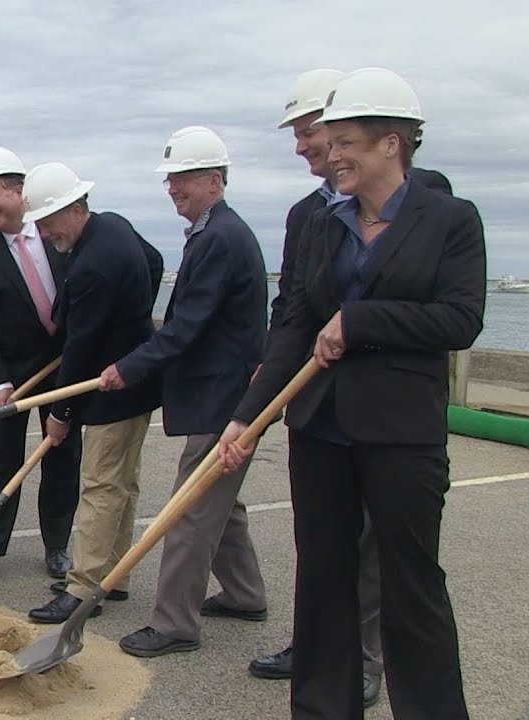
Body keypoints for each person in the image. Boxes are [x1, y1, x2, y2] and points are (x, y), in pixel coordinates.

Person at [220, 68, 481, 720]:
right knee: (325, 586)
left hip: (402, 432)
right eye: (329, 142)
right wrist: (247, 417)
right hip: (321, 429)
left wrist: (363, 321)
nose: (331, 155)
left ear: (392, 143)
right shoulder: (317, 222)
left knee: (411, 587)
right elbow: (295, 325)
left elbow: (459, 320)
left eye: (346, 143)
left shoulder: (449, 218)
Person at [97, 126, 269, 658]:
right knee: (220, 499)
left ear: (214, 180)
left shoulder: (220, 237)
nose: (173, 188)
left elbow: (187, 324)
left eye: (183, 179)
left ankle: (174, 622)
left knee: (190, 508)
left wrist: (131, 366)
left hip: (225, 400)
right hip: (218, 393)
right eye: (170, 180)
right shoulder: (212, 231)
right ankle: (244, 594)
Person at [17, 162, 164, 623]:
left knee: (101, 484)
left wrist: (61, 413)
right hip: (134, 379)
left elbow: (79, 348)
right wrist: (134, 319)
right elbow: (155, 261)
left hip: (109, 387)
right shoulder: (114, 226)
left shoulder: (94, 266)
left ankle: (83, 590)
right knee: (121, 482)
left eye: (46, 221)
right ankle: (112, 575)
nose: (43, 232)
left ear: (73, 207)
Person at [0, 146, 81, 589]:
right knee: (1, 458)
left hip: (65, 365)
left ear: (19, 192)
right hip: (10, 373)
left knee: (62, 454)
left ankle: (58, 546)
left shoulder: (57, 231)